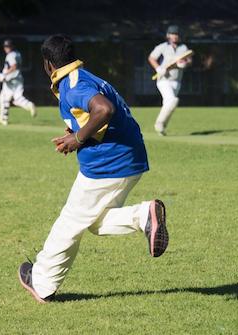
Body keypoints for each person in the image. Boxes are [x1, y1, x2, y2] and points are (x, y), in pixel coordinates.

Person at [17, 35, 169, 303]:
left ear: (48, 64)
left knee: (70, 222)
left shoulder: (73, 86)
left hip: (107, 164)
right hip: (129, 159)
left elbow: (104, 109)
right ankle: (143, 216)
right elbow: (96, 114)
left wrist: (77, 138)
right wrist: (77, 129)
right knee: (96, 223)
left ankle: (41, 282)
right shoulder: (84, 76)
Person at [148, 25, 192, 136]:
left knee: (169, 105)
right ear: (168, 35)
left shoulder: (183, 48)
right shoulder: (162, 47)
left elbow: (189, 59)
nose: (174, 36)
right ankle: (159, 124)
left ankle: (161, 127)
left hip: (176, 81)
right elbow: (151, 58)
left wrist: (184, 64)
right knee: (172, 100)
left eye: (176, 34)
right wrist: (159, 68)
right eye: (172, 34)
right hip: (163, 79)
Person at [0, 39, 36, 126]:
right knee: (17, 99)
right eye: (5, 46)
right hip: (18, 78)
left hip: (10, 80)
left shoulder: (10, 55)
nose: (6, 48)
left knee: (4, 98)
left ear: (12, 47)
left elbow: (14, 66)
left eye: (8, 46)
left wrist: (4, 74)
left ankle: (4, 119)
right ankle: (29, 105)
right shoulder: (17, 53)